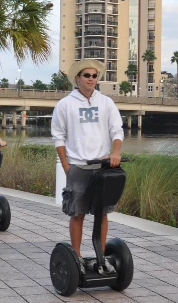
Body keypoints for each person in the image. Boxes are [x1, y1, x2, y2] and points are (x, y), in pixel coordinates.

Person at [51, 59, 124, 258]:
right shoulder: (65, 104)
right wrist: (67, 166)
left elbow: (116, 130)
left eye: (94, 76)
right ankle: (76, 257)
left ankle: (101, 255)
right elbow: (58, 136)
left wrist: (115, 152)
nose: (91, 79)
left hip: (102, 167)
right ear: (77, 78)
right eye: (87, 75)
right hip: (78, 167)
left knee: (102, 214)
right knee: (78, 214)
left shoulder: (106, 102)